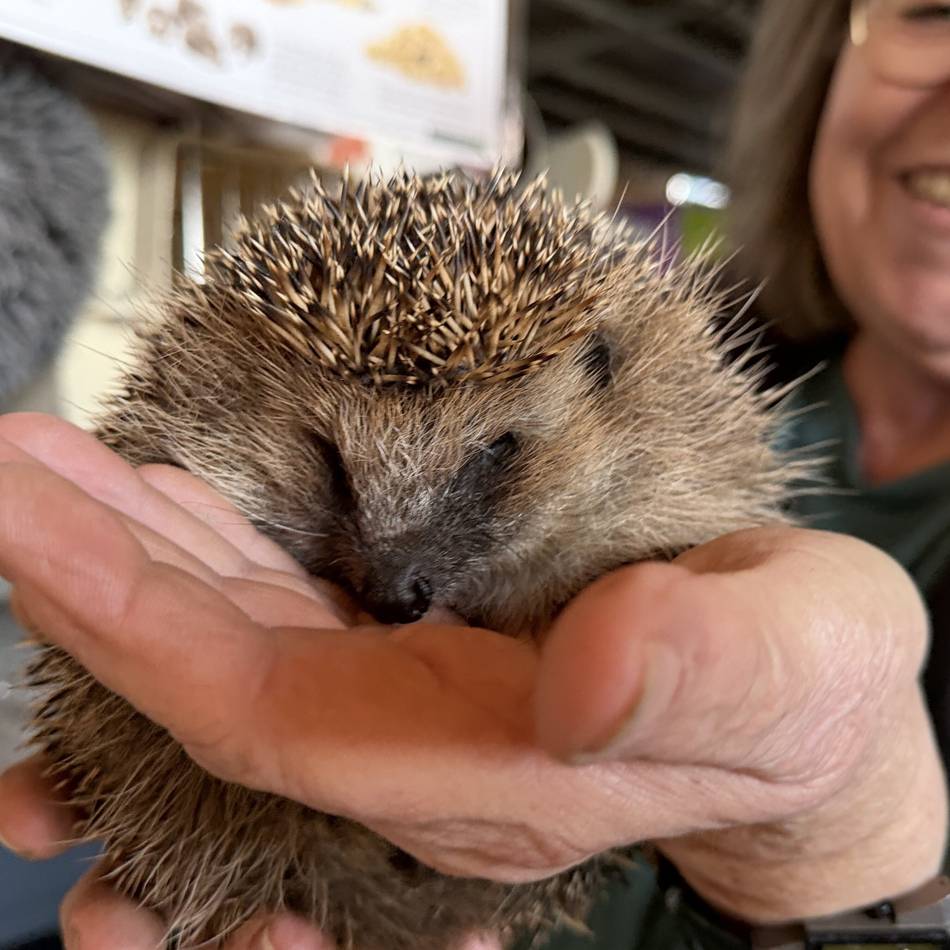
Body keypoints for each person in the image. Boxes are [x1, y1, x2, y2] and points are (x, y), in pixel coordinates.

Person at [1, 1, 949, 948]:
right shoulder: (781, 377)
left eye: (495, 459)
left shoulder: (684, 418)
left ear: (604, 377)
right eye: (933, 13)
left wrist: (848, 844)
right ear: (818, 63)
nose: (395, 580)